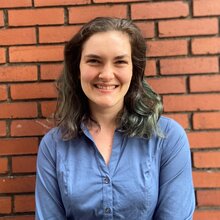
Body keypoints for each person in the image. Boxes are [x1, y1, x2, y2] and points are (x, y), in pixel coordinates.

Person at [35, 17, 195, 220]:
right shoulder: (54, 146)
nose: (107, 74)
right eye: (94, 61)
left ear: (134, 70)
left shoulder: (167, 137)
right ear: (78, 69)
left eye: (120, 62)